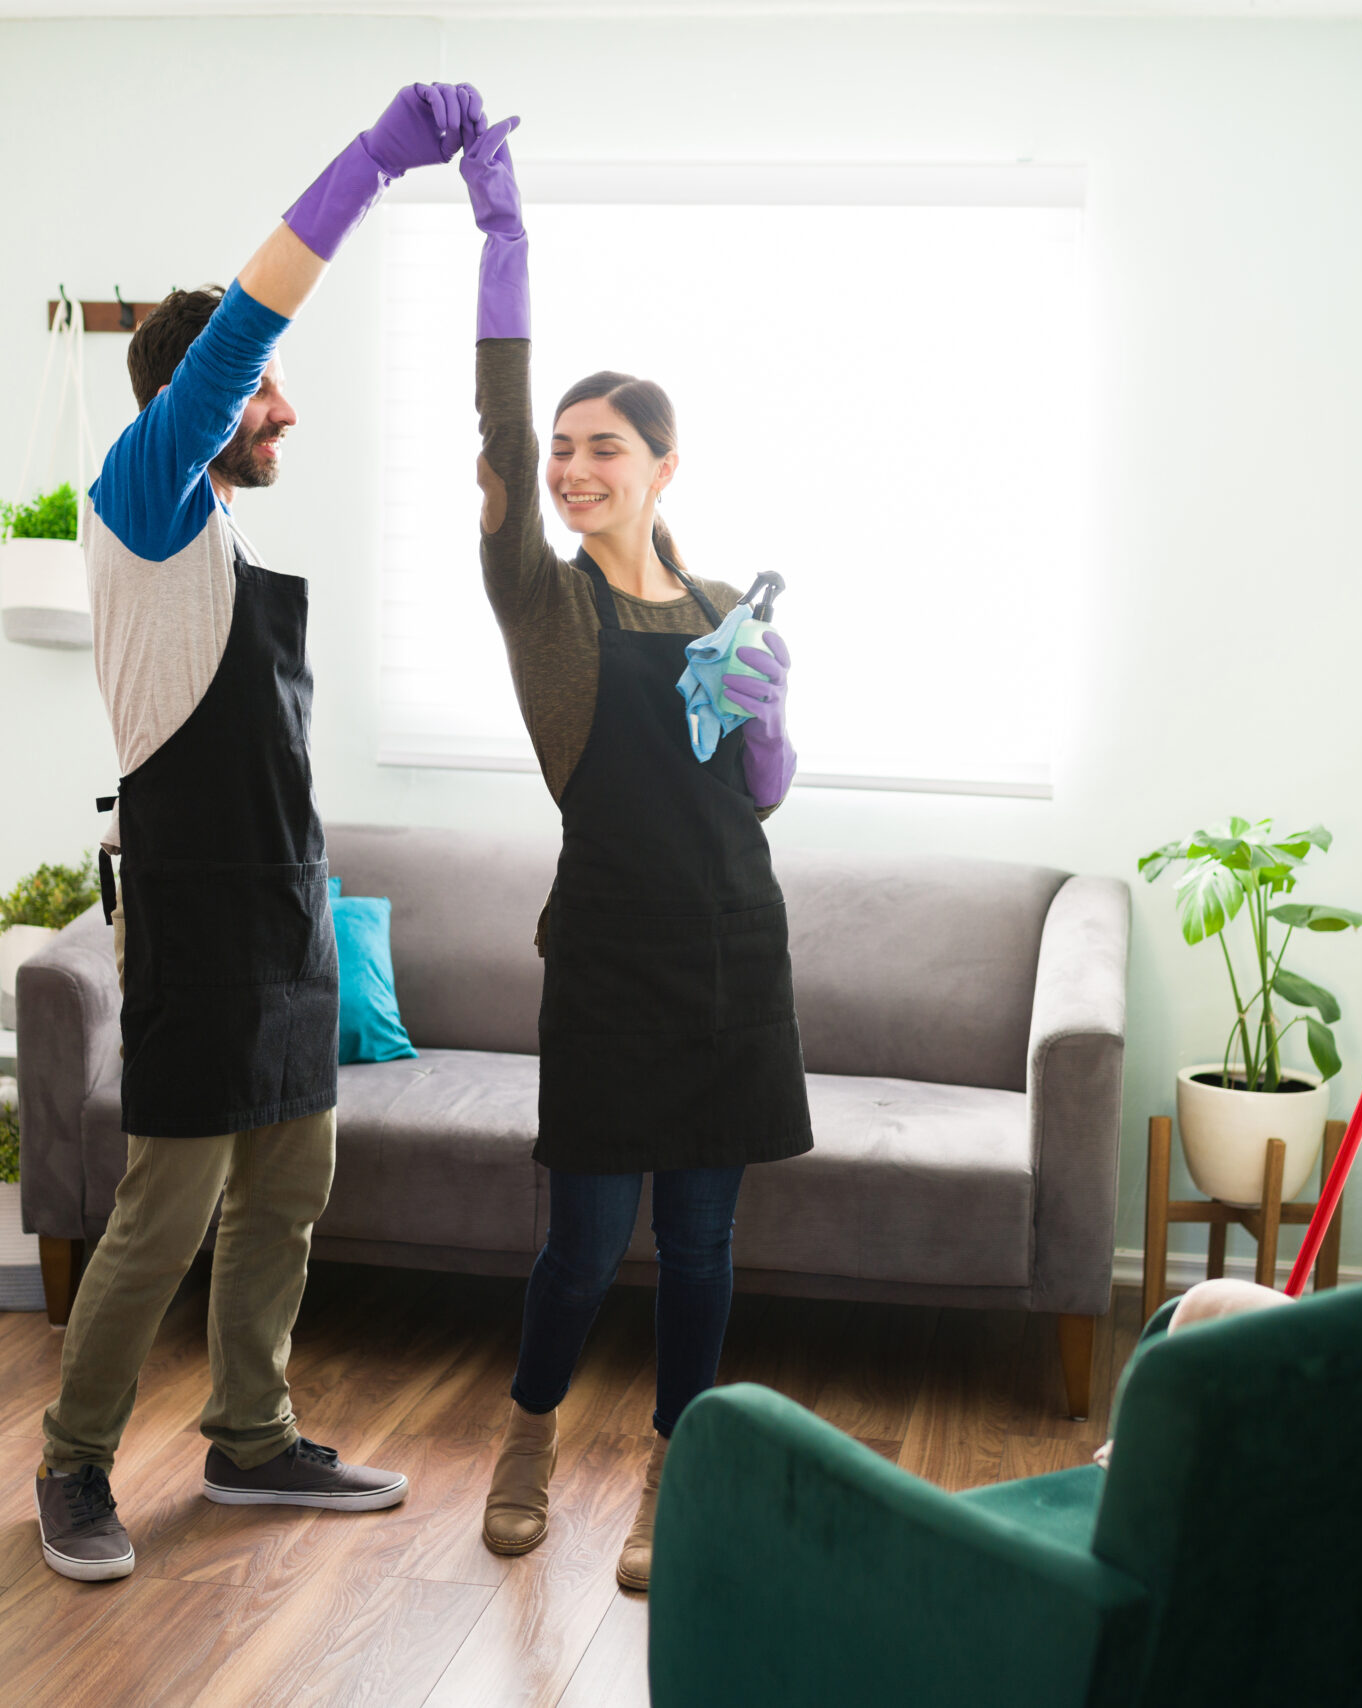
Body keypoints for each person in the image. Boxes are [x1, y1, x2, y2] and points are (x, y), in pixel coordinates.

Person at [32, 82, 487, 1584]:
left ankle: (248, 1439)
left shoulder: (219, 539)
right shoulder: (145, 501)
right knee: (166, 1208)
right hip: (191, 913)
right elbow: (238, 337)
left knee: (292, 1187)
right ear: (207, 407)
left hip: (284, 906)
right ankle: (75, 1467)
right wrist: (372, 165)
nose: (284, 407)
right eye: (265, 390)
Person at [456, 114, 813, 1593]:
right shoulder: (539, 599)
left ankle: (676, 1476)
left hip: (735, 948)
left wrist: (771, 710)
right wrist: (505, 247)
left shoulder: (725, 594)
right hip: (605, 957)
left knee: (709, 1247)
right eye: (562, 449)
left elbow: (763, 794)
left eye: (605, 447)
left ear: (666, 463)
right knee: (586, 1247)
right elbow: (495, 431)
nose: (572, 467)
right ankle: (530, 1439)